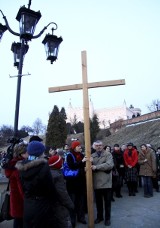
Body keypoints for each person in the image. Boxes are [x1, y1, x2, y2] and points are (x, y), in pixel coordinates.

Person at [16, 141, 57, 228]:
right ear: (40, 152)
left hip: (28, 205)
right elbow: (50, 188)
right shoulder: (43, 167)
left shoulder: (21, 167)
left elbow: (22, 186)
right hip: (42, 206)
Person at [4, 141, 28, 228]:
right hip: (21, 203)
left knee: (18, 222)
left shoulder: (13, 164)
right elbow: (21, 188)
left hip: (16, 201)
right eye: (28, 152)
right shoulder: (20, 166)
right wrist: (29, 201)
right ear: (22, 153)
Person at [91, 140, 114, 226]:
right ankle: (100, 217)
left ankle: (107, 219)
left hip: (106, 183)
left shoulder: (108, 154)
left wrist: (96, 167)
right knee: (98, 203)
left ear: (103, 146)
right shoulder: (92, 156)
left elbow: (109, 165)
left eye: (100, 145)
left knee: (107, 203)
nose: (99, 147)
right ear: (94, 147)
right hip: (97, 183)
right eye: (96, 146)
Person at [65, 140, 87, 227]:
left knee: (81, 201)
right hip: (72, 183)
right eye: (78, 146)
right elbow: (71, 166)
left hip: (81, 182)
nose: (80, 147)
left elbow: (84, 166)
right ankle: (73, 220)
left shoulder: (82, 155)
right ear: (74, 147)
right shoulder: (69, 155)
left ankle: (81, 217)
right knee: (73, 202)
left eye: (80, 146)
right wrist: (82, 162)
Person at [48, 155, 74, 228]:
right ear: (57, 164)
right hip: (59, 205)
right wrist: (70, 204)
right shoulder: (57, 176)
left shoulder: (49, 172)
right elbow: (62, 193)